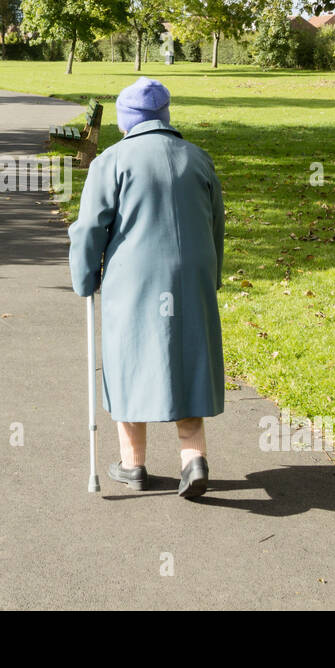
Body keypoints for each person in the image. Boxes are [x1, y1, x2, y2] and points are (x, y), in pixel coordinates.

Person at [68, 77, 225, 500]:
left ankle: (133, 464)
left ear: (127, 121)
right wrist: (212, 277)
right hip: (191, 275)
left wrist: (84, 277)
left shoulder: (112, 161)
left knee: (128, 359)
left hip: (134, 278)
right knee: (189, 358)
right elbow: (215, 222)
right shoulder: (198, 158)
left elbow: (90, 228)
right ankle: (193, 459)